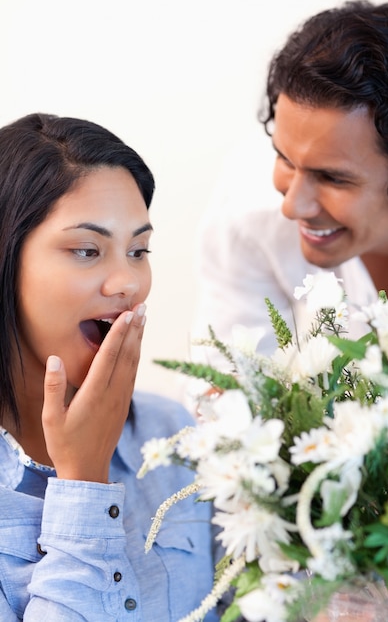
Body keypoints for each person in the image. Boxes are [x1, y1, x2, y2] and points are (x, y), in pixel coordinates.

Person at [0, 113, 217, 621]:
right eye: (86, 250)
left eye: (139, 250)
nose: (128, 283)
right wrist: (83, 482)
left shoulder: (173, 435)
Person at [191, 0, 388, 367]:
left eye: (332, 178)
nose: (291, 206)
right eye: (284, 158)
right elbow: (227, 390)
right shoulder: (247, 210)